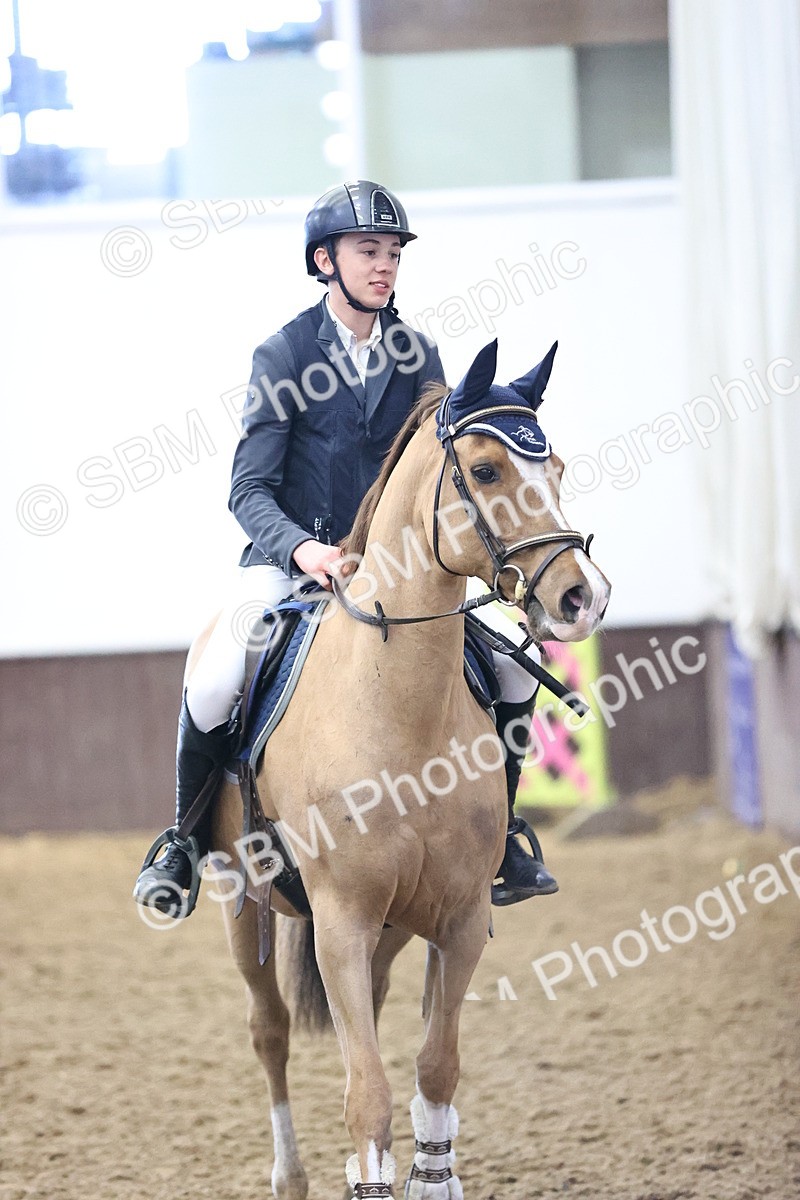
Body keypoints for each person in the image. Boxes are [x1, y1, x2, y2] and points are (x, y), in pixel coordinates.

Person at [133, 180, 557, 918]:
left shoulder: (418, 352)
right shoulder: (285, 354)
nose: (385, 265)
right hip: (291, 566)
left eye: (393, 252)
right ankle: (183, 843)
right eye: (369, 251)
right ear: (325, 260)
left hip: (397, 575)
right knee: (215, 676)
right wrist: (306, 552)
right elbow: (248, 490)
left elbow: (438, 471)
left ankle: (507, 835)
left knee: (517, 678)